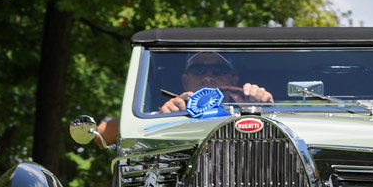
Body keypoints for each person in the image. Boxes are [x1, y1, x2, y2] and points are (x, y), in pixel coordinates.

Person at [96, 51, 273, 144]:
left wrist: (263, 107)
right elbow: (101, 135)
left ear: (234, 79)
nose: (208, 77)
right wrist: (160, 115)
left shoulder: (252, 109)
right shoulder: (167, 112)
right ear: (184, 80)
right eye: (198, 69)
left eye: (219, 70)